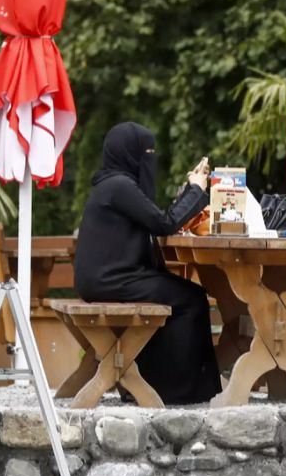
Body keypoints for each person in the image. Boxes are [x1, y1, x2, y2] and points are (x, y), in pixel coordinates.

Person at [74, 122, 222, 404]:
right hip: (111, 281)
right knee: (190, 299)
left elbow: (156, 217)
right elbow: (163, 224)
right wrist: (195, 189)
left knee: (184, 293)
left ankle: (153, 380)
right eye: (146, 152)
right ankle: (174, 390)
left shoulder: (114, 184)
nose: (150, 158)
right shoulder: (119, 186)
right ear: (129, 155)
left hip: (105, 279)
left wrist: (189, 193)